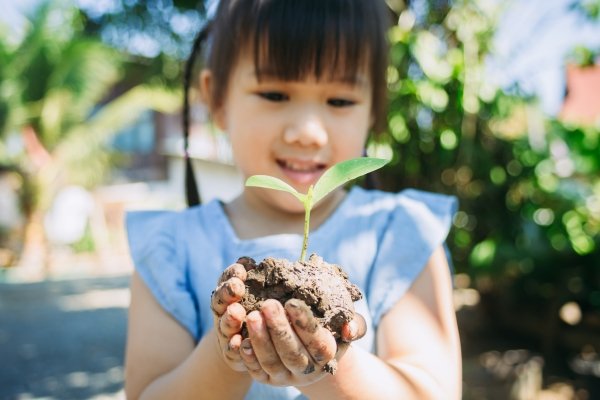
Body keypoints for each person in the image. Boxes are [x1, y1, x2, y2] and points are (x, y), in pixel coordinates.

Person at [124, 1, 462, 399]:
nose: (307, 132)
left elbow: (431, 391)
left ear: (374, 109)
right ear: (216, 99)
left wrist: (330, 362)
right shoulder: (171, 249)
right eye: (274, 93)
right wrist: (228, 356)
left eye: (339, 100)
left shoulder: (401, 235)